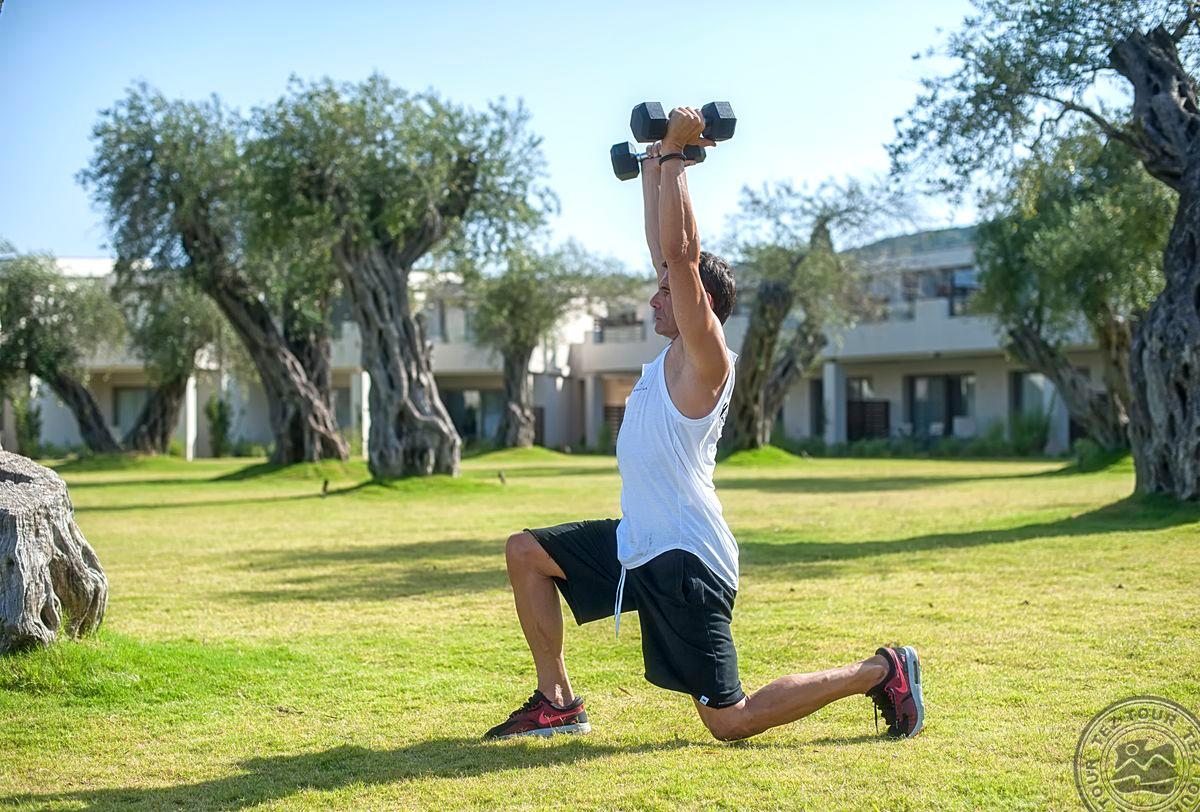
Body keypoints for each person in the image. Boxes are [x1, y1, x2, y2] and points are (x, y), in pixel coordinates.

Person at [485, 107, 924, 742]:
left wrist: (675, 159)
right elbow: (662, 250)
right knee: (526, 552)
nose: (652, 297)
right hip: (640, 542)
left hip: (687, 560)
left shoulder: (706, 357)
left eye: (667, 292)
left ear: (702, 306)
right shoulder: (669, 354)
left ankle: (882, 670)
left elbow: (681, 255)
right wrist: (654, 169)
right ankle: (557, 702)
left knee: (728, 722)